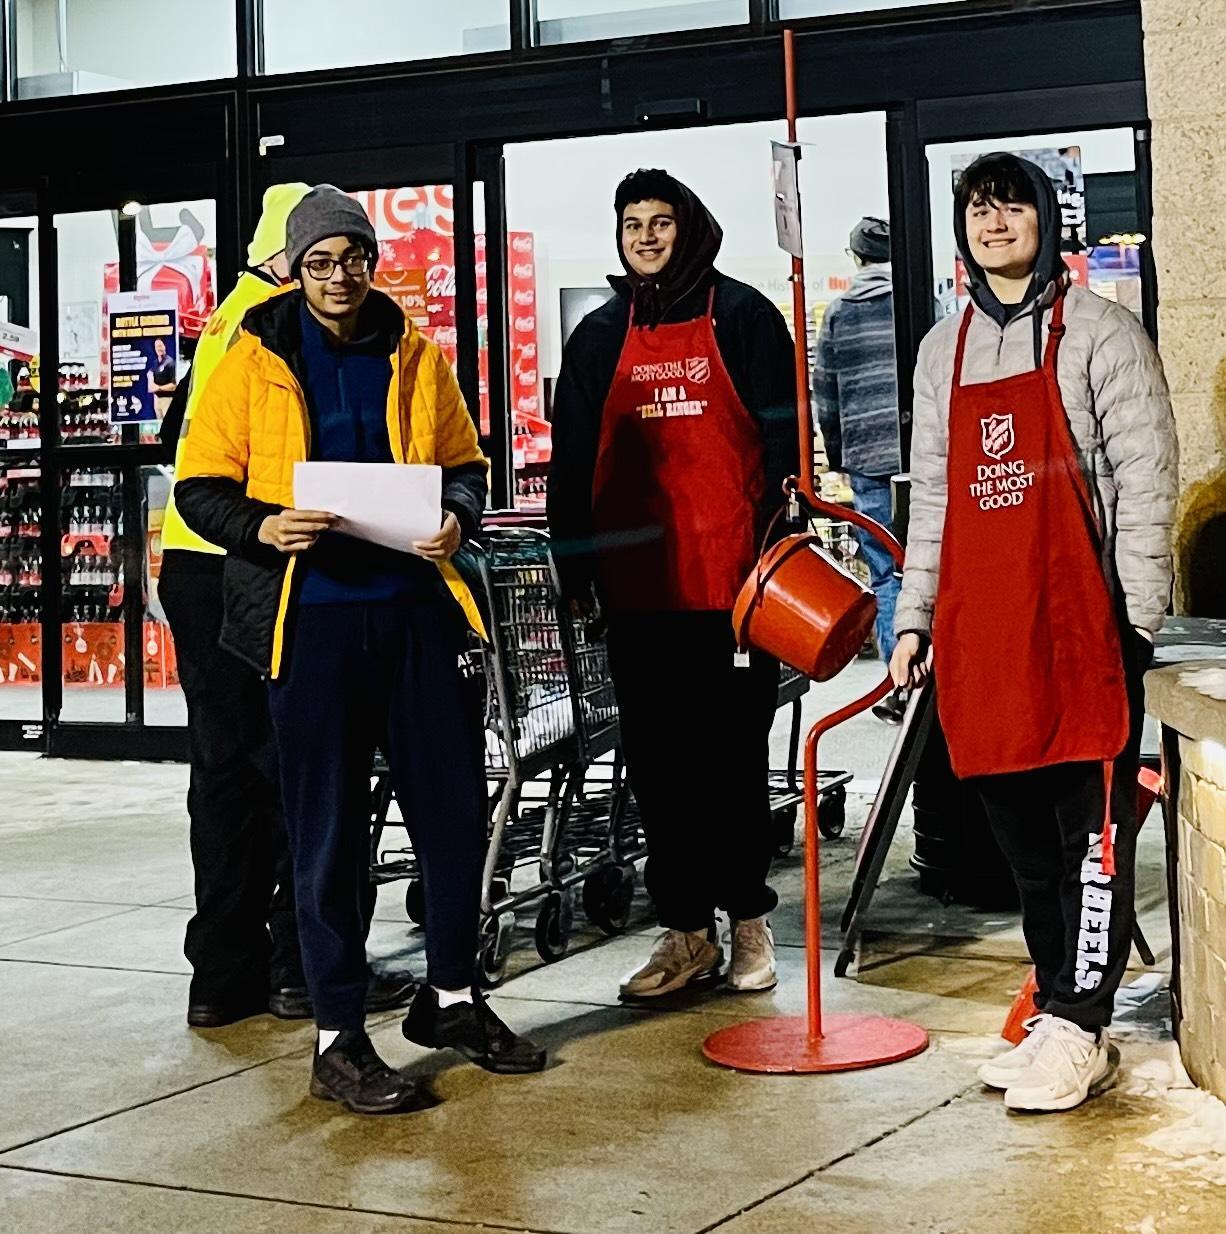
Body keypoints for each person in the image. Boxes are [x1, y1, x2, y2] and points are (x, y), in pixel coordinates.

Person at [176, 186, 545, 1116]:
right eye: (319, 263)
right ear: (294, 271)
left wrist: (457, 517)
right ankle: (337, 1037)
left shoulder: (416, 353)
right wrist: (266, 526)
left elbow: (466, 464)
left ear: (372, 262)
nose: (339, 276)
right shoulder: (253, 355)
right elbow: (198, 489)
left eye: (352, 258)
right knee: (328, 834)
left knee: (454, 816)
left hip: (417, 614)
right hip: (311, 622)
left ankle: (451, 997)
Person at [891, 153, 1177, 1113]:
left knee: (1088, 841)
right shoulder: (944, 350)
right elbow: (935, 497)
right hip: (986, 632)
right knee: (1022, 845)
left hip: (1082, 623)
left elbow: (1147, 480)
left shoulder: (1102, 333)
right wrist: (914, 618)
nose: (994, 222)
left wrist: (1137, 619)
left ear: (1044, 222)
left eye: (1011, 207)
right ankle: (1056, 1008)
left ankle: (1083, 1024)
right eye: (978, 210)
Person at [548, 168, 797, 1000]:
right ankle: (687, 930)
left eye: (660, 221)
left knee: (734, 764)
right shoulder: (598, 335)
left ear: (688, 228)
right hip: (637, 591)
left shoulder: (745, 317)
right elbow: (572, 460)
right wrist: (574, 565)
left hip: (735, 593)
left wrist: (779, 551)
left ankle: (750, 920)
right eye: (633, 224)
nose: (646, 237)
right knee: (658, 771)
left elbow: (785, 444)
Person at [160, 182, 325, 1029]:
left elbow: (175, 441)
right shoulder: (276, 325)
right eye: (325, 255)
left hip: (194, 560)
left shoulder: (224, 318)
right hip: (248, 560)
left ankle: (222, 979)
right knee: (290, 765)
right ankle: (300, 969)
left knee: (224, 774)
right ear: (293, 256)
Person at [812, 216, 904, 721]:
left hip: (867, 457)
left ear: (856, 258)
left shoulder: (839, 313)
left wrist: (838, 455)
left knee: (887, 572)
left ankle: (901, 684)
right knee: (931, 566)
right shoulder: (915, 299)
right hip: (921, 455)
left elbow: (825, 393)